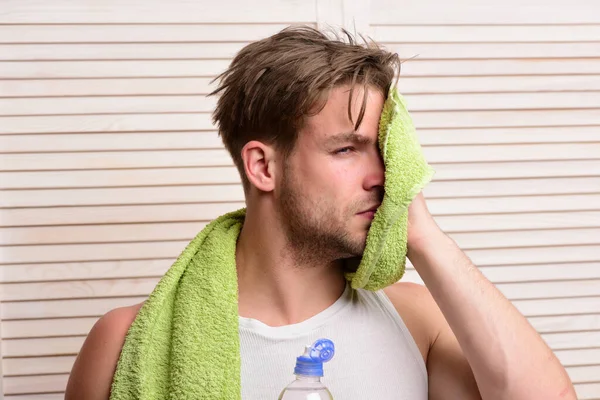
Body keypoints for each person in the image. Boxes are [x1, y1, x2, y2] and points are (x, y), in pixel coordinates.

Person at [65, 26, 576, 399]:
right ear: (263, 166)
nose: (383, 175)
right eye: (347, 149)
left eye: (385, 150)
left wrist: (421, 233)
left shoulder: (418, 320)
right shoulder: (123, 341)